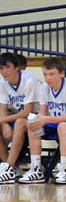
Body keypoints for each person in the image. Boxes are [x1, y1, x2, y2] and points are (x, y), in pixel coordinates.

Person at [18, 57, 66, 184]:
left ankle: (65, 168)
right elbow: (42, 113)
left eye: (52, 74)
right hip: (56, 122)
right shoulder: (44, 87)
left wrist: (45, 119)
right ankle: (36, 168)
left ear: (61, 73)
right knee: (31, 125)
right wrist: (36, 120)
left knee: (62, 126)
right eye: (45, 74)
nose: (48, 77)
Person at [0, 52, 40, 184]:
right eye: (1, 68)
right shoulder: (3, 82)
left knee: (19, 122)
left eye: (7, 67)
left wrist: (4, 120)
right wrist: (4, 124)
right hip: (18, 116)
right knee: (14, 121)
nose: (4, 71)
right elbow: (3, 108)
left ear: (17, 67)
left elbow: (27, 111)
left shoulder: (29, 80)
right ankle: (11, 168)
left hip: (38, 116)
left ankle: (9, 167)